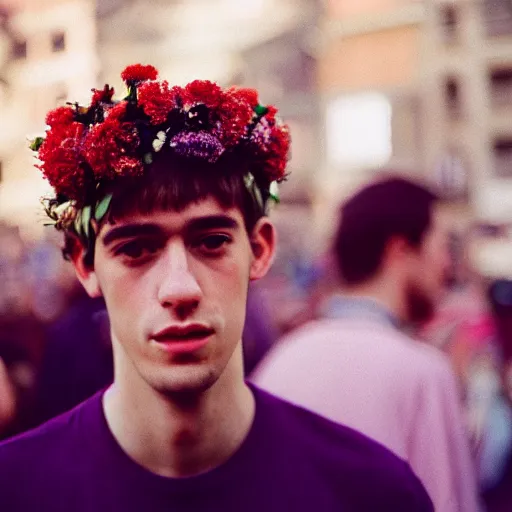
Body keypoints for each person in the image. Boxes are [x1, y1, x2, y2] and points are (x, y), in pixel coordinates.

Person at [0, 66, 432, 511]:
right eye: (136, 249)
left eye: (211, 242)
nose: (180, 288)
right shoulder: (13, 490)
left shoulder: (373, 494)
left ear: (260, 249)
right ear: (85, 265)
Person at [253, 176, 480, 512]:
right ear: (400, 249)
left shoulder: (278, 363)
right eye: (443, 246)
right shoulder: (423, 373)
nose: (448, 263)